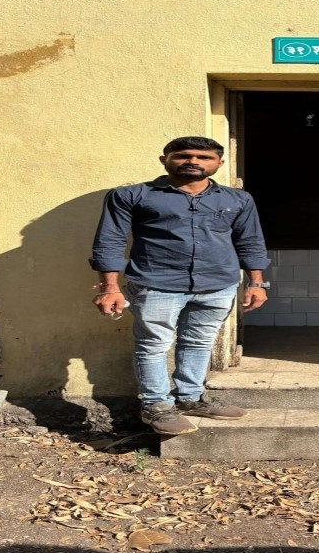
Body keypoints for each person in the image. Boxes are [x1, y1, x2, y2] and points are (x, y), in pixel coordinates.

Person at [90, 137, 269, 434]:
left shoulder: (237, 199)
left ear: (219, 163)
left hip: (218, 284)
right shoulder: (132, 195)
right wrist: (110, 287)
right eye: (183, 155)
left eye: (204, 157)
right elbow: (109, 241)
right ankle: (156, 406)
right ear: (165, 160)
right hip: (156, 284)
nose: (193, 161)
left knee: (199, 342)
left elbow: (250, 241)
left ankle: (190, 398)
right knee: (153, 346)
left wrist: (257, 282)